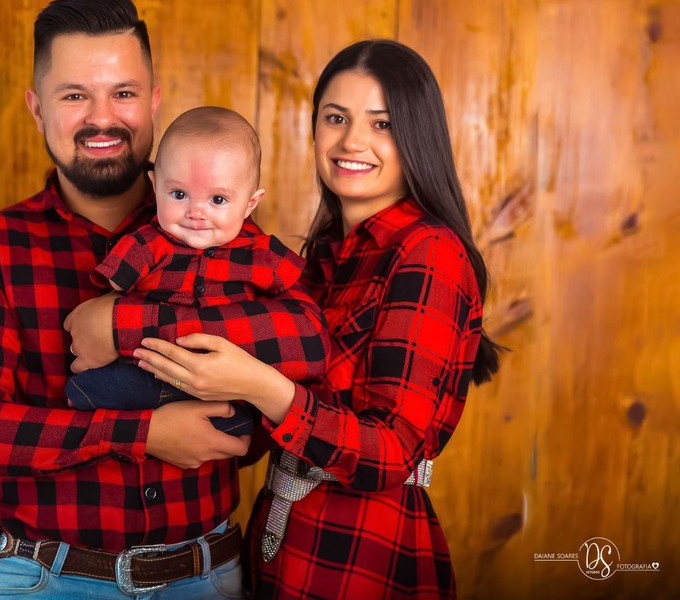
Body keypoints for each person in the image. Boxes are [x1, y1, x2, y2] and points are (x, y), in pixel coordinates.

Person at [0, 0, 329, 600]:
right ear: (37, 109)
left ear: (154, 101)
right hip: (43, 578)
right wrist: (142, 432)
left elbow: (306, 338)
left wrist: (124, 323)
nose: (101, 117)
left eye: (122, 93)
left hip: (205, 574)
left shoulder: (227, 233)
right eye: (74, 96)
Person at [131, 39, 504, 599]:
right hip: (281, 541)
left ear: (416, 135)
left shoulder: (428, 252)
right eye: (336, 117)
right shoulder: (324, 256)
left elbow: (393, 449)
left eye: (382, 123)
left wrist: (260, 386)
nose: (352, 141)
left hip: (361, 554)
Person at [66, 106, 323, 437]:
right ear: (155, 186)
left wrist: (120, 324)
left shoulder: (259, 253)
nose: (196, 212)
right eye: (179, 194)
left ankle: (221, 414)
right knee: (104, 384)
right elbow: (114, 282)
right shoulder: (149, 243)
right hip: (151, 369)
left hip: (224, 381)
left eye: (217, 199)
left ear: (249, 205)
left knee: (242, 406)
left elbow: (306, 329)